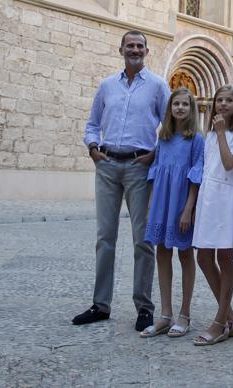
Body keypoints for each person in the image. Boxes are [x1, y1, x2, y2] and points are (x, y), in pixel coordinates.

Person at [73, 30, 170, 331]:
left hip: (140, 167)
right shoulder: (105, 87)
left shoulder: (157, 86)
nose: (135, 50)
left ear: (147, 51)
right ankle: (101, 305)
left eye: (140, 46)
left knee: (143, 240)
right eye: (130, 45)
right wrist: (92, 148)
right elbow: (92, 124)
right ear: (121, 50)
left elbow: (171, 125)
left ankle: (144, 307)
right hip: (107, 165)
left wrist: (155, 154)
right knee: (105, 238)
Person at [139, 87, 205, 338]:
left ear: (191, 109)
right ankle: (165, 314)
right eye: (175, 104)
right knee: (162, 253)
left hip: (182, 205)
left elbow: (196, 177)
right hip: (162, 203)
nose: (179, 108)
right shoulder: (163, 138)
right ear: (170, 109)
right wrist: (151, 205)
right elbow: (155, 171)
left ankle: (184, 314)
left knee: (185, 255)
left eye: (185, 105)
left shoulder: (196, 140)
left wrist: (188, 209)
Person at [192, 85, 233, 347]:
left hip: (226, 199)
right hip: (208, 196)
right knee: (203, 256)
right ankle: (230, 317)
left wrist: (223, 132)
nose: (223, 104)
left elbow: (229, 164)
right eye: (219, 100)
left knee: (225, 257)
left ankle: (220, 321)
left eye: (229, 101)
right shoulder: (211, 134)